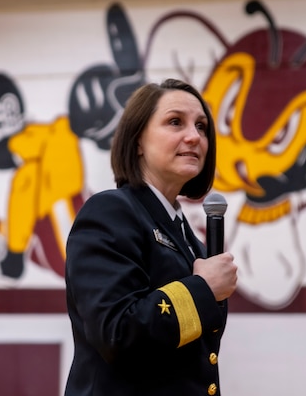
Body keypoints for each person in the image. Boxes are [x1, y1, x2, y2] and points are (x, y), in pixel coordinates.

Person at [63, 78, 238, 396]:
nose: (194, 136)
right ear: (138, 140)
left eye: (201, 127)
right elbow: (117, 334)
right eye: (175, 122)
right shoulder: (110, 212)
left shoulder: (189, 240)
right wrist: (202, 289)